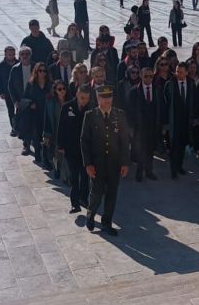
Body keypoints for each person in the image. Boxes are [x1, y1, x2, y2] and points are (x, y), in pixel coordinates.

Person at [81, 85, 130, 236]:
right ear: (98, 98)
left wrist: (125, 163)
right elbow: (84, 141)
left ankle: (106, 223)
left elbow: (124, 141)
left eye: (109, 97)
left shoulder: (119, 115)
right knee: (96, 193)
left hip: (114, 164)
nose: (107, 100)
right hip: (97, 164)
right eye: (103, 97)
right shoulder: (90, 115)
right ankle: (90, 215)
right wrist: (88, 164)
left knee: (111, 195)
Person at [58, 84, 92, 212]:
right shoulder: (67, 107)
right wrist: (60, 145)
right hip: (71, 147)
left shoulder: (91, 109)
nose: (84, 101)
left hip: (86, 149)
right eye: (82, 97)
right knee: (74, 176)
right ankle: (75, 203)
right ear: (77, 94)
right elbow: (61, 127)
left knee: (85, 176)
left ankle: (84, 198)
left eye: (87, 98)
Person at [128, 68, 163, 182]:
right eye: (146, 76)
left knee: (150, 149)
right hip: (140, 126)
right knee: (141, 149)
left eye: (151, 76)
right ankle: (139, 171)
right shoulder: (134, 91)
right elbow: (131, 111)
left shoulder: (157, 90)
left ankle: (149, 171)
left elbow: (160, 108)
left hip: (153, 125)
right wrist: (131, 127)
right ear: (141, 77)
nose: (148, 79)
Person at [165, 61, 196, 179]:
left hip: (186, 120)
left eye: (181, 72)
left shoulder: (191, 83)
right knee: (174, 146)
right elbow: (166, 103)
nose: (178, 74)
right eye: (177, 71)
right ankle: (173, 169)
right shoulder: (170, 84)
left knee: (183, 145)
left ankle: (179, 166)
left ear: (187, 73)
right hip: (174, 120)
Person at [21, 62, 51, 164]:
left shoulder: (49, 84)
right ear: (36, 71)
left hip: (46, 113)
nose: (42, 73)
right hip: (34, 114)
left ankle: (46, 157)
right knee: (36, 135)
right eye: (40, 71)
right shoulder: (31, 84)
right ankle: (37, 155)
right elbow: (24, 98)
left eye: (44, 71)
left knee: (46, 135)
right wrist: (31, 104)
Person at [43, 80, 67, 175]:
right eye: (59, 89)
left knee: (66, 154)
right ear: (55, 91)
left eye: (64, 88)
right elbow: (47, 119)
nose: (62, 91)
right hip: (55, 131)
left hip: (67, 131)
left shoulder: (71, 100)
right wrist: (46, 134)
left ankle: (66, 175)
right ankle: (57, 167)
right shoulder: (51, 103)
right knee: (57, 153)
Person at [0, 46, 19, 136]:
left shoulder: (19, 63)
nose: (11, 56)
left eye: (13, 54)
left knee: (19, 110)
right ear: (5, 54)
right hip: (7, 92)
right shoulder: (0, 66)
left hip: (18, 92)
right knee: (11, 110)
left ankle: (19, 126)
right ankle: (13, 128)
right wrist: (0, 92)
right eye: (9, 55)